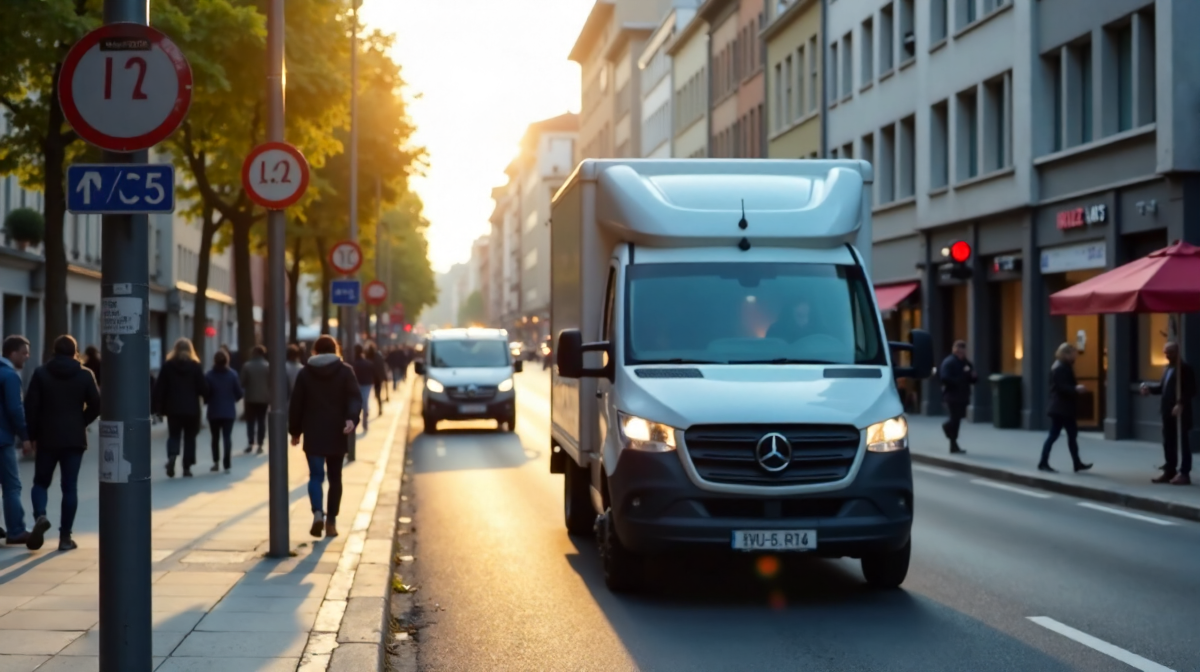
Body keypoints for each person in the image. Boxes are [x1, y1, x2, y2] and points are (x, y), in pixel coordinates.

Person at [23, 335, 100, 551]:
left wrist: (31, 436)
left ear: (54, 351)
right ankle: (65, 538)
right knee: (69, 487)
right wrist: (81, 421)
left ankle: (40, 516)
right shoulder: (85, 375)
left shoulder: (41, 373)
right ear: (75, 351)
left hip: (47, 437)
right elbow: (97, 404)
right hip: (74, 438)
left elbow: (31, 407)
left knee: (40, 482)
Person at [289, 335, 361, 539]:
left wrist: (295, 431)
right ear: (336, 350)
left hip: (313, 431)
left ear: (315, 352)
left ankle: (318, 513)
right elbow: (354, 397)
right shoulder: (345, 371)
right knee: (335, 478)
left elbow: (296, 404)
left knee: (315, 476)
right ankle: (331, 523)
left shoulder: (305, 373)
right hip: (337, 431)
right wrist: (350, 419)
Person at [153, 338, 209, 478]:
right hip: (192, 409)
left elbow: (160, 388)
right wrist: (207, 398)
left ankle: (172, 455)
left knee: (174, 435)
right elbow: (203, 387)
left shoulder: (168, 366)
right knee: (190, 437)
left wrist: (157, 407)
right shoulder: (195, 366)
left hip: (173, 408)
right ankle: (187, 467)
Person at [1141, 341, 1196, 485]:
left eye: (1170, 352)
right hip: (1167, 411)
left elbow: (1191, 389)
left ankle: (1184, 472)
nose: (1167, 355)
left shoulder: (1185, 369)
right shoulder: (1167, 369)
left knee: (1183, 442)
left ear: (1177, 352)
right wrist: (1150, 390)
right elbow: (1162, 388)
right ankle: (1170, 469)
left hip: (1180, 412)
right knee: (1168, 442)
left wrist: (1180, 403)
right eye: (1165, 352)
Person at [1040, 343, 1093, 473]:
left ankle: (1076, 462)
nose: (1075, 356)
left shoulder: (1062, 366)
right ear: (1066, 354)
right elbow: (1061, 387)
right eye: (1073, 354)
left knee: (1070, 435)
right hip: (1061, 408)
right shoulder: (1060, 368)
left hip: (1062, 407)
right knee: (1056, 434)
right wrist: (1076, 388)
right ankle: (1043, 462)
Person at [0, 336, 32, 544]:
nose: (27, 357)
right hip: (3, 440)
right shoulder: (10, 376)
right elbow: (15, 409)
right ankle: (16, 530)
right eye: (24, 352)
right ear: (12, 353)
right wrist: (26, 437)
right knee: (11, 486)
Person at [205, 350, 243, 473]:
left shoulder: (209, 375)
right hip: (228, 411)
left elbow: (206, 394)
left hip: (214, 411)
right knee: (227, 437)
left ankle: (216, 462)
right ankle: (227, 464)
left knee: (215, 438)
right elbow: (239, 393)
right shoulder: (232, 374)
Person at [938, 340, 977, 454]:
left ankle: (953, 444)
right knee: (954, 419)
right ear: (956, 351)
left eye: (964, 352)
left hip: (963, 395)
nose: (962, 354)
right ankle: (949, 433)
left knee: (957, 419)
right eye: (960, 352)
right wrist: (959, 381)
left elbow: (971, 376)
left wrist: (973, 377)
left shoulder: (965, 363)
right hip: (952, 395)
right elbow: (945, 378)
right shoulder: (949, 362)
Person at [239, 345, 271, 454]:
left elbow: (242, 382)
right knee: (261, 421)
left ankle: (250, 442)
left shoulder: (247, 366)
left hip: (250, 398)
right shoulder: (268, 366)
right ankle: (260, 444)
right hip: (264, 398)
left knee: (250, 421)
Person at [351, 344, 376, 432]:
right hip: (366, 384)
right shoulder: (367, 363)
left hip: (359, 384)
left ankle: (360, 420)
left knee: (359, 403)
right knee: (364, 401)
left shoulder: (353, 363)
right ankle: (364, 420)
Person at [370, 342, 388, 412]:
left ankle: (380, 407)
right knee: (378, 393)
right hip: (377, 378)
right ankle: (380, 407)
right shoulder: (378, 356)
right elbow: (382, 367)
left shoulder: (372, 357)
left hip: (375, 378)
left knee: (377, 393)